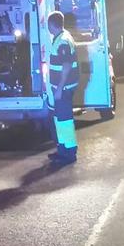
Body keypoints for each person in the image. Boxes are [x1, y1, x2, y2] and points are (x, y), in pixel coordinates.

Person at [47, 11, 79, 165]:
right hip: (61, 87)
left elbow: (66, 66)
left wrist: (59, 88)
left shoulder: (63, 41)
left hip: (64, 88)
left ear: (51, 25)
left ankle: (69, 153)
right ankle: (62, 149)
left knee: (64, 120)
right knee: (59, 119)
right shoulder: (61, 37)